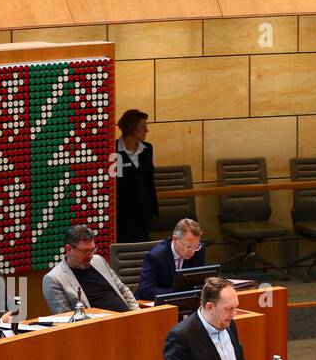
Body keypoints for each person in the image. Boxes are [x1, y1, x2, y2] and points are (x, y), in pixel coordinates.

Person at [43, 224, 139, 314]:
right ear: (68, 249)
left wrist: (137, 313)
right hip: (97, 328)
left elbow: (123, 290)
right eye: (85, 251)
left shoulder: (99, 261)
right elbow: (66, 319)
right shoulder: (54, 279)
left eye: (92, 250)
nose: (90, 256)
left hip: (126, 320)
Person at [137, 219, 208, 301]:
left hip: (186, 302)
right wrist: (177, 294)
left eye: (196, 246)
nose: (192, 251)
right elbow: (146, 290)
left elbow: (199, 283)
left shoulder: (199, 250)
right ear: (175, 239)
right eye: (188, 246)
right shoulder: (156, 256)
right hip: (153, 304)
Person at [115, 109, 158, 244]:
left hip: (144, 209)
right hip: (123, 212)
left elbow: (149, 179)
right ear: (131, 128)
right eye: (143, 127)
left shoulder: (147, 148)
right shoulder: (114, 151)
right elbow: (116, 183)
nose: (146, 130)